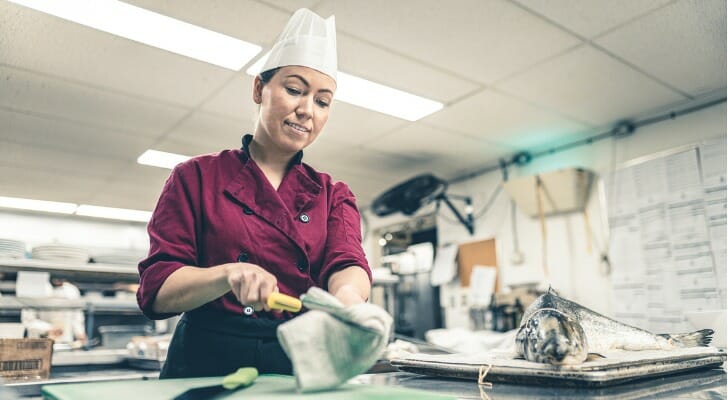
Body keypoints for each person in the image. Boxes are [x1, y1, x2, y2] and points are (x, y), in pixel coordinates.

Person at [137, 8, 372, 379]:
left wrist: (348, 303)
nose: (306, 110)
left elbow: (347, 263)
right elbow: (158, 290)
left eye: (323, 101)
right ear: (259, 89)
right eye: (295, 90)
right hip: (205, 361)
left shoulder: (333, 193)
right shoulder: (195, 177)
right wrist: (226, 275)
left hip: (298, 360)